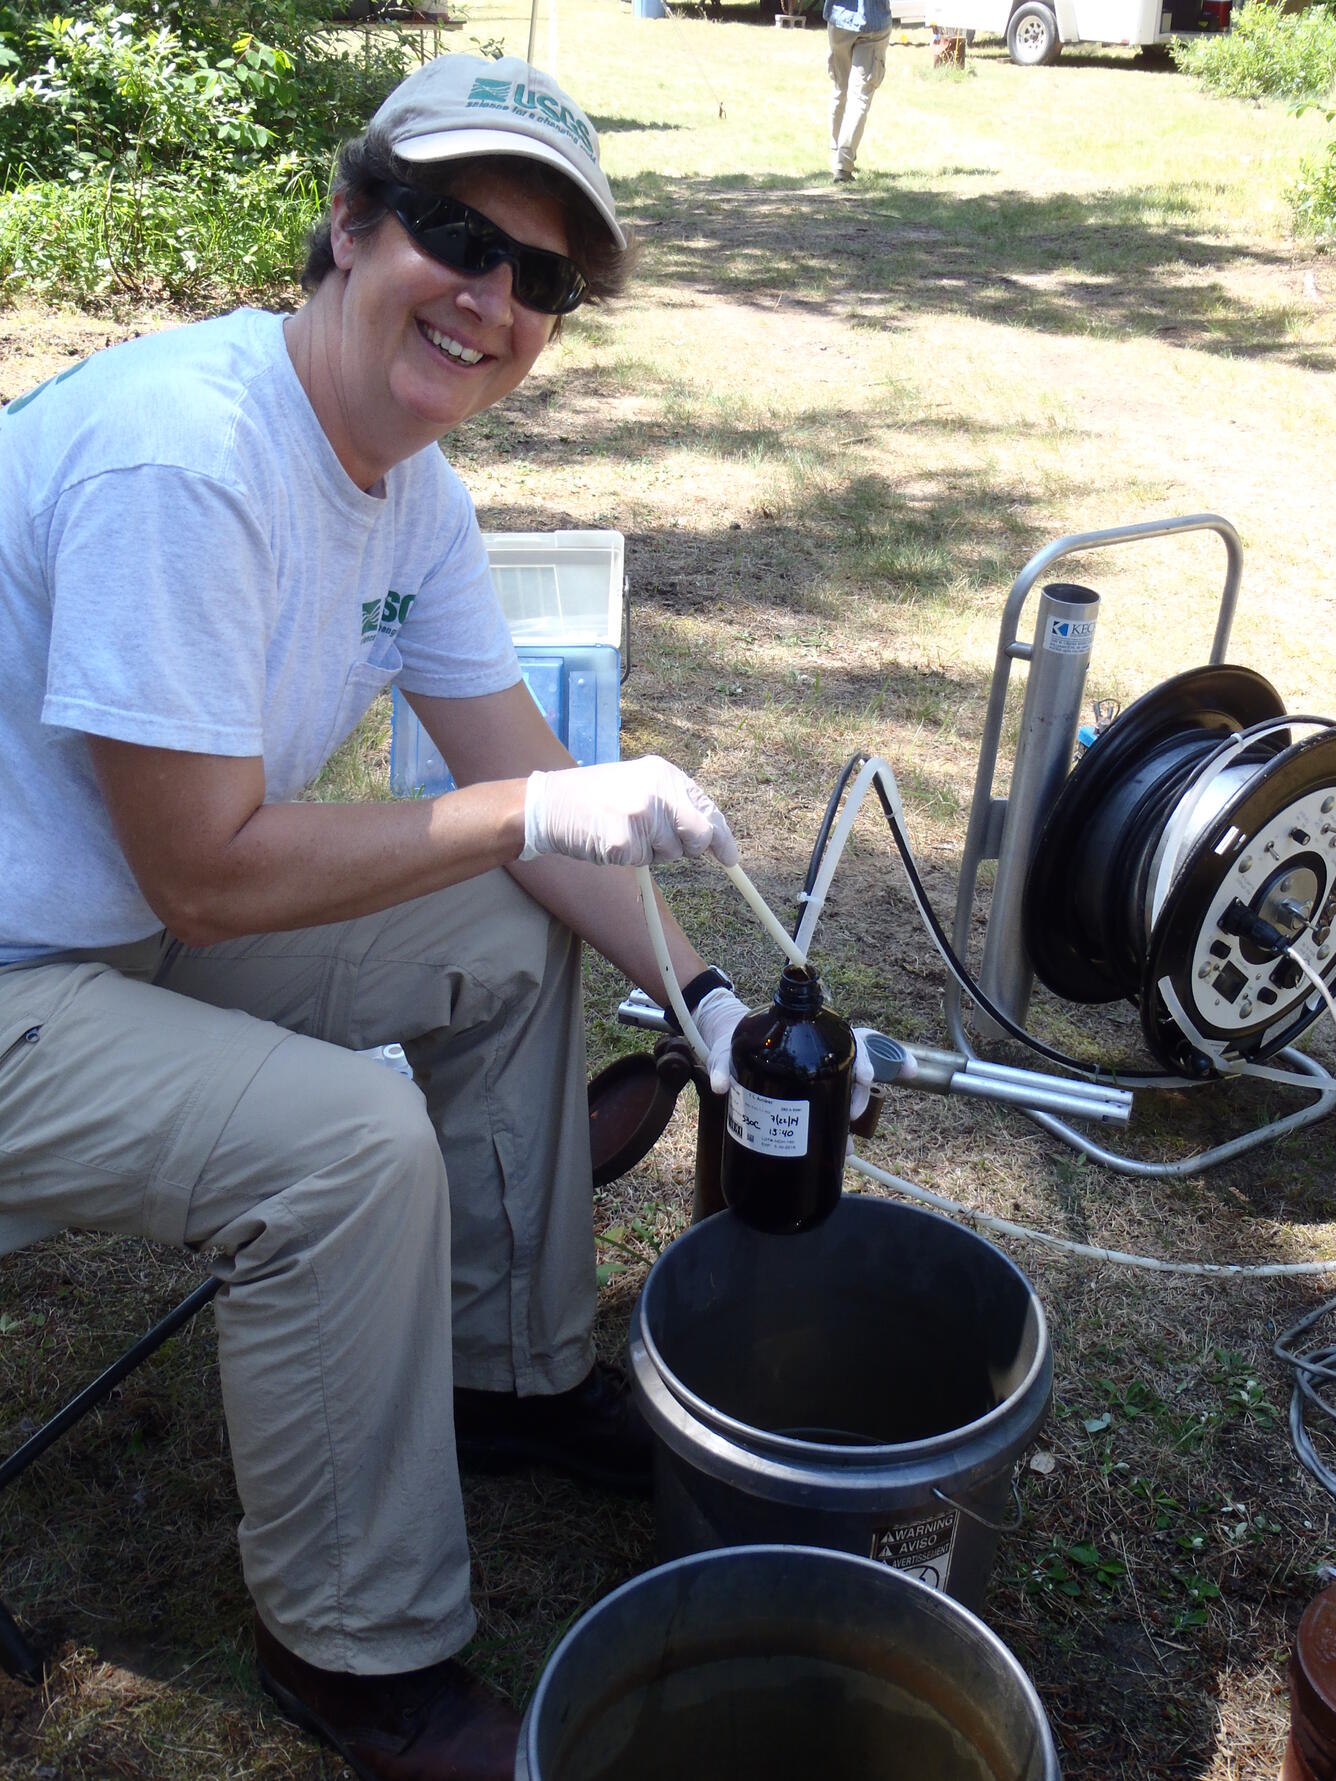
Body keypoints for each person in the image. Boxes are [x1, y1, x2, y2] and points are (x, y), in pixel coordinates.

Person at [0, 52, 767, 1781]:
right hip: (21, 967)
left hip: (107, 916)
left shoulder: (412, 491)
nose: (490, 300)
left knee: (513, 924)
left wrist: (707, 996)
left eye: (540, 278)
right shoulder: (186, 460)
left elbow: (508, 772)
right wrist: (525, 807)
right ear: (349, 224)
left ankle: (500, 1376)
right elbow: (208, 868)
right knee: (339, 1145)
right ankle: (362, 1659)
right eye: (452, 234)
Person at [823, 0, 894, 183]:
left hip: (841, 18)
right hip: (874, 22)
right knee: (859, 96)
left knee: (841, 87)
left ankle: (837, 153)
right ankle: (842, 164)